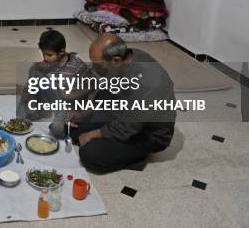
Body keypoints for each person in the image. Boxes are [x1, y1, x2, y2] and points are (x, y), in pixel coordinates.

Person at [70, 34, 176, 173]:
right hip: (122, 113)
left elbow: (127, 127)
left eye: (97, 65)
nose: (95, 69)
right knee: (72, 129)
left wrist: (92, 135)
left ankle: (137, 158)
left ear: (116, 60)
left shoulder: (147, 83)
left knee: (89, 155)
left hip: (148, 134)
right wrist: (87, 111)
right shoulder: (125, 59)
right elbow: (106, 89)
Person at [17, 30, 94, 134]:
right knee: (35, 70)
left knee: (57, 130)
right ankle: (42, 112)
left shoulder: (78, 68)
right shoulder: (49, 63)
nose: (45, 58)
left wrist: (75, 115)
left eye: (49, 55)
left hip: (72, 105)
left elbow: (90, 97)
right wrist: (26, 98)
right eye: (43, 54)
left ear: (61, 52)